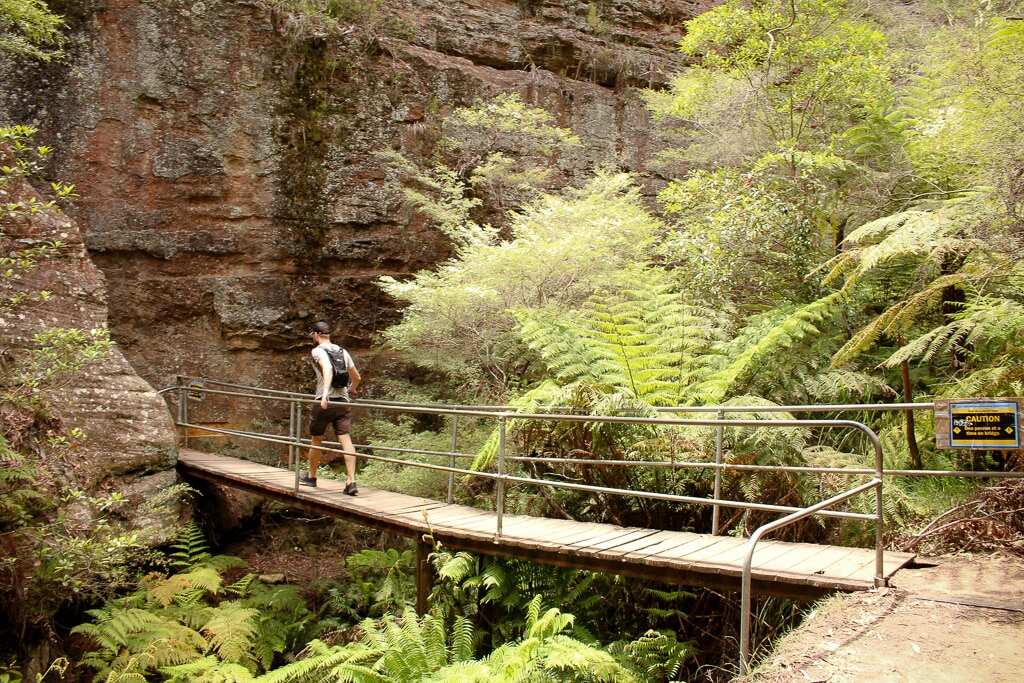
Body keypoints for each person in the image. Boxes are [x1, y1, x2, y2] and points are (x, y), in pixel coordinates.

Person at [301, 321, 361, 494]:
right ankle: (351, 482)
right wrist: (352, 389)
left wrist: (326, 393)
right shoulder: (342, 351)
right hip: (342, 403)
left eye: (312, 335)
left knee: (316, 439)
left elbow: (327, 368)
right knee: (346, 439)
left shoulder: (317, 350)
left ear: (316, 334)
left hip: (324, 402)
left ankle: (311, 477)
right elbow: (356, 377)